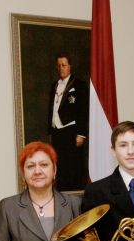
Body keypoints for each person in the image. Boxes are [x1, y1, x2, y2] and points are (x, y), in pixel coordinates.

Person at [48, 52, 89, 191]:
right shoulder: (54, 85)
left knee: (73, 165)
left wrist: (81, 133)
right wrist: (50, 131)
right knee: (59, 165)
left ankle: (75, 193)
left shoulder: (79, 85)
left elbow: (83, 110)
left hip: (72, 131)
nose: (61, 68)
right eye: (59, 65)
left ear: (70, 66)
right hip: (57, 131)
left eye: (64, 65)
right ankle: (62, 193)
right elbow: (51, 109)